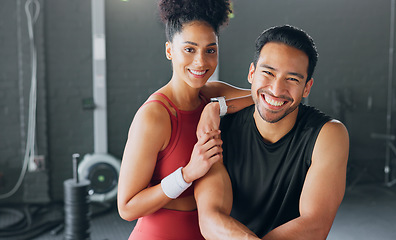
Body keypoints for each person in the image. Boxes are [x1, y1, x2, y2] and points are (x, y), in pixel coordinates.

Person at [194, 25, 350, 239]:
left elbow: (315, 224)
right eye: (268, 73)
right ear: (252, 73)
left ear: (307, 87)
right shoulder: (221, 128)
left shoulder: (328, 135)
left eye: (292, 79)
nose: (277, 90)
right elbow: (210, 217)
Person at [117, 0, 251, 239]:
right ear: (169, 50)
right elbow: (127, 207)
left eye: (210, 50)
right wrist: (187, 173)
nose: (201, 62)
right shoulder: (154, 116)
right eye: (189, 49)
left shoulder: (211, 94)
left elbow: (266, 97)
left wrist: (214, 108)